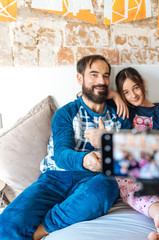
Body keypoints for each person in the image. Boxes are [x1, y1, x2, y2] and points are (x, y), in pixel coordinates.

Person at [0, 55, 132, 240]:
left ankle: (42, 230)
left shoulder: (120, 115)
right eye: (94, 75)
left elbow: (129, 157)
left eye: (105, 75)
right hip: (56, 177)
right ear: (80, 78)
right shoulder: (66, 113)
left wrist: (106, 142)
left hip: (94, 180)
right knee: (7, 223)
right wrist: (85, 159)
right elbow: (61, 154)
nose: (101, 81)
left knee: (106, 187)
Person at [85, 67, 159, 240]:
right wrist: (116, 96)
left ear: (143, 84)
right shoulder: (125, 112)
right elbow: (85, 95)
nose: (133, 95)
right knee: (129, 182)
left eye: (135, 88)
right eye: (126, 92)